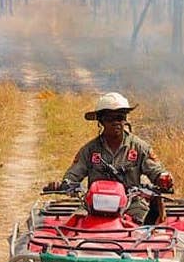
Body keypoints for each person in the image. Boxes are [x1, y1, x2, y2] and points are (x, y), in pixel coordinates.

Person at [44, 92, 174, 223]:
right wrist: (62, 185)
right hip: (93, 206)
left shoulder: (140, 147)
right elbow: (72, 176)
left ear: (125, 120)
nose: (116, 122)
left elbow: (156, 171)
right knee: (74, 227)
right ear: (101, 121)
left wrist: (163, 178)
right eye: (110, 119)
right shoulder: (89, 150)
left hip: (131, 205)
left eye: (120, 117)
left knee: (145, 231)